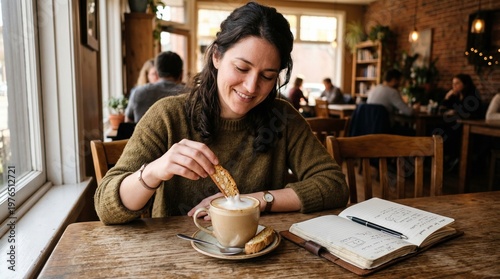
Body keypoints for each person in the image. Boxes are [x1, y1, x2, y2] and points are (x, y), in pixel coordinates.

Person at [94, 2, 349, 225]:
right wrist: (154, 171)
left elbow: (334, 185)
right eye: (241, 67)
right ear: (216, 56)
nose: (251, 87)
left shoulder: (283, 118)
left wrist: (252, 201)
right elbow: (106, 207)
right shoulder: (168, 116)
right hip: (176, 257)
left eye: (267, 76)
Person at [125, 51, 187, 122]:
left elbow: (128, 122)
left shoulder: (138, 92)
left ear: (157, 73)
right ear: (181, 75)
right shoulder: (190, 94)